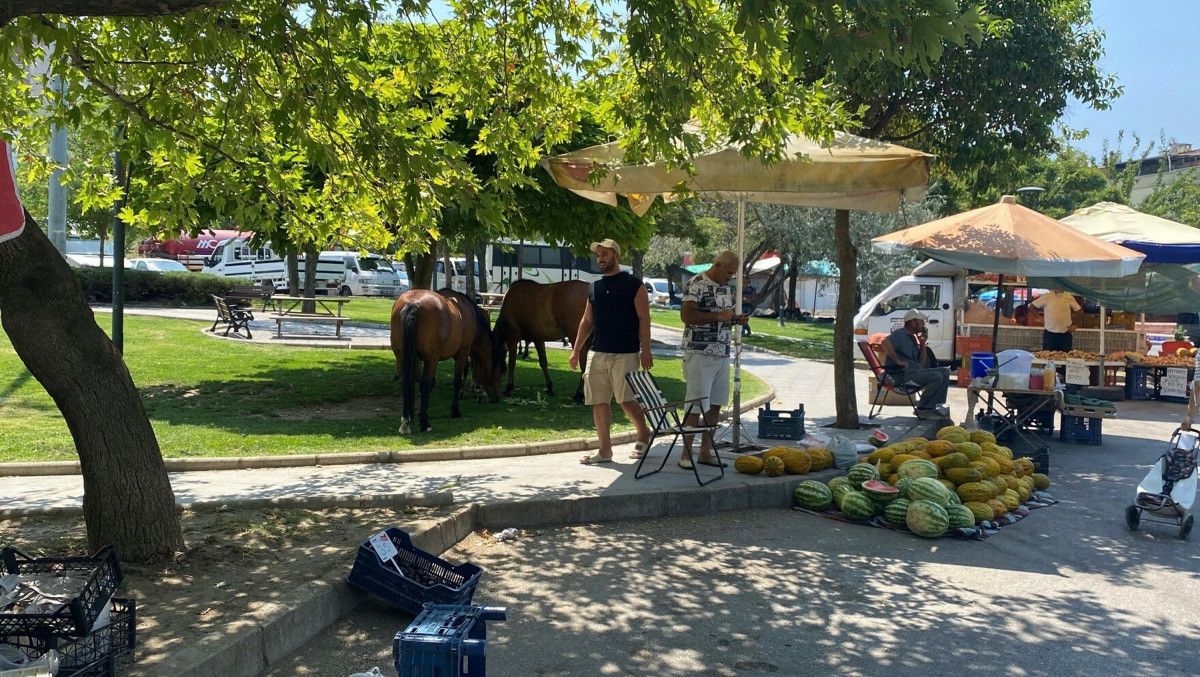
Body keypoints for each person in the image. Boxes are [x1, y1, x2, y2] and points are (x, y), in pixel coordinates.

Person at [570, 239, 653, 465]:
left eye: (605, 254)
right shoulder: (594, 287)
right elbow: (587, 321)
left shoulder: (634, 285)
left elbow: (644, 318)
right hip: (598, 353)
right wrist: (576, 351)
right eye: (598, 255)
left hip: (626, 353)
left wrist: (646, 350)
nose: (600, 259)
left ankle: (643, 433)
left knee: (626, 400)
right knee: (598, 401)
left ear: (616, 255)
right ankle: (605, 451)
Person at [678, 250, 747, 468]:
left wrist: (734, 319)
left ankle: (705, 452)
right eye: (728, 272)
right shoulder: (696, 283)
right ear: (716, 265)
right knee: (696, 403)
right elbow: (687, 316)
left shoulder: (726, 287)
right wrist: (718, 316)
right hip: (699, 351)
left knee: (715, 404)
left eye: (733, 274)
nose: (730, 277)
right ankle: (685, 454)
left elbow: (722, 315)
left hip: (721, 352)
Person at [880, 309, 950, 419]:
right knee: (937, 376)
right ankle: (923, 408)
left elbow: (921, 362)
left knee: (945, 371)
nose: (924, 324)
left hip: (914, 372)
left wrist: (922, 344)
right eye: (922, 321)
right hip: (901, 375)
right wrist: (898, 360)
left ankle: (935, 406)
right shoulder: (900, 334)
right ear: (913, 322)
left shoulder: (912, 337)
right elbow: (884, 341)